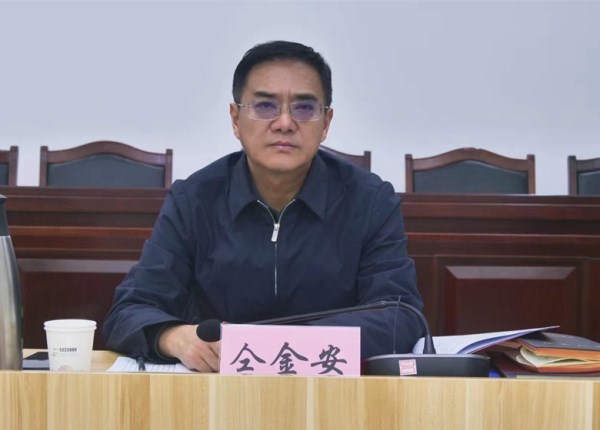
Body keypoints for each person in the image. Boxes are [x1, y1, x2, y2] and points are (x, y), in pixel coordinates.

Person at [104, 40, 424, 372]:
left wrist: (278, 346)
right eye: (265, 106)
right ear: (235, 119)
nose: (284, 122)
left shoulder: (370, 201)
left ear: (326, 123)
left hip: (330, 389)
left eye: (304, 108)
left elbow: (400, 315)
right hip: (218, 391)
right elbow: (130, 310)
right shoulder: (194, 200)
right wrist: (176, 338)